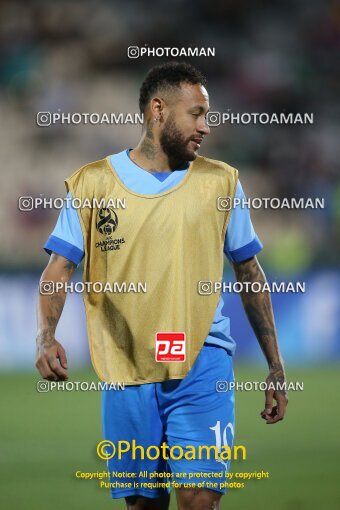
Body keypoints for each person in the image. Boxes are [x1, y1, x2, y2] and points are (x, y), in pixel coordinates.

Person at [35, 61, 288, 510]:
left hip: (202, 360)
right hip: (127, 367)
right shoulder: (93, 183)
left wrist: (275, 366)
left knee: (199, 502)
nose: (206, 127)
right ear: (158, 110)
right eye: (196, 114)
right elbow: (58, 270)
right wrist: (46, 336)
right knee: (144, 506)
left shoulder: (221, 182)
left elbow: (250, 273)